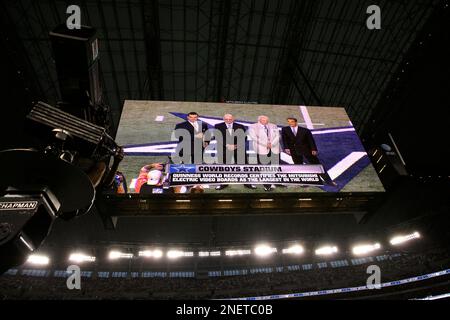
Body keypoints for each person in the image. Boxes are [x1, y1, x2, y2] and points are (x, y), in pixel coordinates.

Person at [281, 117, 336, 186]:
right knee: (298, 167)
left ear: (296, 122)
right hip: (294, 151)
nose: (290, 123)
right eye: (288, 121)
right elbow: (284, 139)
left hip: (307, 150)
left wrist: (314, 149)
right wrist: (286, 148)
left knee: (317, 165)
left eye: (292, 121)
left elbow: (311, 140)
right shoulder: (285, 129)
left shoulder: (305, 130)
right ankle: (303, 182)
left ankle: (329, 181)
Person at [214, 114, 256, 190]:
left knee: (243, 167)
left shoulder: (240, 126)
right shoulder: (218, 126)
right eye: (226, 119)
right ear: (223, 119)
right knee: (224, 167)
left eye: (230, 119)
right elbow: (218, 137)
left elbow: (244, 137)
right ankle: (223, 184)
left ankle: (247, 183)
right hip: (224, 149)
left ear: (233, 119)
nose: (228, 120)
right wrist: (227, 145)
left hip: (239, 148)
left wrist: (236, 145)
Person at [248, 115, 280, 191]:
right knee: (264, 168)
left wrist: (272, 144)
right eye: (263, 120)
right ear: (259, 120)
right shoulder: (253, 126)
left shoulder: (273, 125)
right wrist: (266, 144)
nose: (266, 121)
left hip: (274, 148)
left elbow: (278, 136)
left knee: (275, 166)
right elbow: (254, 138)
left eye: (266, 120)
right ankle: (267, 185)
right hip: (262, 149)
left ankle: (274, 182)